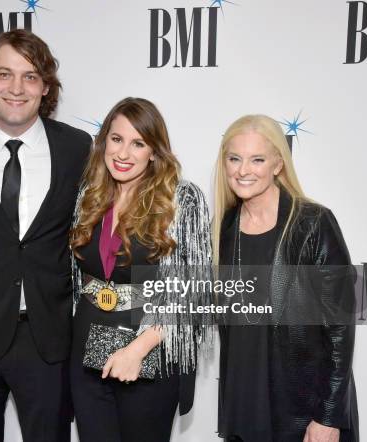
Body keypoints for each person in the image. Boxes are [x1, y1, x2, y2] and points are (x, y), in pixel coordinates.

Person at [0, 29, 91, 442]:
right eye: (5, 74)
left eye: (30, 76)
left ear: (45, 87)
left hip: (48, 336)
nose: (16, 88)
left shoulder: (79, 148)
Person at [69, 97, 213, 442]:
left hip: (149, 352)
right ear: (104, 142)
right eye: (116, 140)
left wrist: (137, 349)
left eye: (138, 143)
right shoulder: (90, 195)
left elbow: (192, 292)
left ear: (154, 151)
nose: (123, 153)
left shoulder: (181, 200)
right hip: (88, 350)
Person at [213, 114, 359, 442]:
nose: (243, 170)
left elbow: (340, 328)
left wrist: (328, 416)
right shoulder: (224, 228)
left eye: (257, 159)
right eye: (234, 158)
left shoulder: (313, 224)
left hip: (301, 413)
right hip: (243, 407)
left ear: (278, 164)